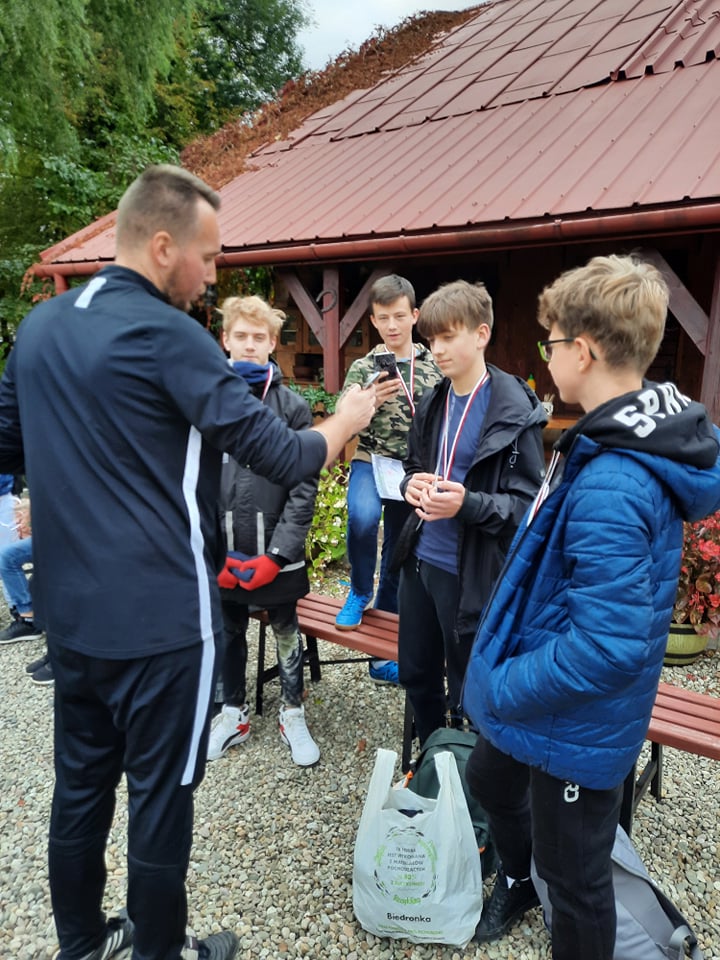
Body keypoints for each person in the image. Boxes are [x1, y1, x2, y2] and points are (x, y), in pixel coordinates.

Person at [0, 164, 374, 960]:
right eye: (207, 257)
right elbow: (282, 453)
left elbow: (7, 443)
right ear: (163, 246)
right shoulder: (171, 338)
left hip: (71, 617)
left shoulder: (42, 328)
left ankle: (82, 946)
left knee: (79, 791)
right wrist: (345, 417)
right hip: (164, 623)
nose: (212, 276)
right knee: (161, 803)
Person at [462, 255, 720, 959]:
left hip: (576, 718)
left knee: (575, 879)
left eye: (548, 343)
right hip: (551, 695)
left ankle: (543, 890)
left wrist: (504, 685)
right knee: (489, 778)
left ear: (583, 351)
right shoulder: (617, 431)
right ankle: (518, 879)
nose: (545, 358)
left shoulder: (615, 480)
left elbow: (608, 648)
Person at [397, 279, 546, 745]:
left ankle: (472, 773)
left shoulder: (515, 409)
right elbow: (412, 465)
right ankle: (433, 758)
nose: (436, 350)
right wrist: (409, 484)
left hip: (471, 573)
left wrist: (467, 504)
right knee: (416, 674)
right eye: (431, 340)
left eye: (448, 337)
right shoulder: (433, 400)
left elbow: (527, 508)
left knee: (471, 691)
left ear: (482, 334)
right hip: (419, 561)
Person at [208, 295, 320, 767]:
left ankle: (292, 711)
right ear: (225, 340)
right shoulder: (206, 404)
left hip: (277, 554)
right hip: (224, 551)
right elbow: (191, 482)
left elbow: (303, 487)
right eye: (241, 336)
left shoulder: (292, 408)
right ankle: (232, 713)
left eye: (259, 337)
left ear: (273, 343)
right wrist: (211, 553)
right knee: (228, 629)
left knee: (286, 629)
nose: (250, 345)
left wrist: (278, 554)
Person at [335, 274, 442, 685]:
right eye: (383, 318)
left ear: (415, 315)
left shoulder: (433, 365)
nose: (392, 325)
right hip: (370, 458)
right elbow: (344, 416)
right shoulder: (364, 367)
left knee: (398, 550)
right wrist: (366, 402)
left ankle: (381, 658)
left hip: (411, 468)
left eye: (399, 316)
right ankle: (360, 590)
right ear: (373, 321)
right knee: (362, 518)